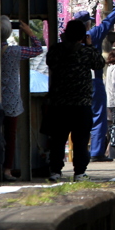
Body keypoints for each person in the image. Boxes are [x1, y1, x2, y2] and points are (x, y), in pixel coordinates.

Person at [45, 18, 104, 182]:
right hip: (81, 105)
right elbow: (100, 63)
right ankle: (79, 173)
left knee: (58, 139)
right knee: (80, 140)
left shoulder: (56, 50)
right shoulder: (86, 52)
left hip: (59, 104)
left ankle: (55, 171)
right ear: (83, 36)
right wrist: (90, 45)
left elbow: (49, 61)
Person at [75, 0, 115, 163]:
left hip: (75, 82)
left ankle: (80, 152)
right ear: (87, 24)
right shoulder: (92, 35)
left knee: (79, 117)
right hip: (93, 81)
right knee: (98, 115)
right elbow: (107, 23)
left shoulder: (68, 40)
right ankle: (97, 151)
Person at [0, 15, 44, 181]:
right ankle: (7, 169)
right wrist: (30, 33)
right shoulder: (14, 51)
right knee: (10, 136)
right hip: (11, 100)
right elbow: (38, 50)